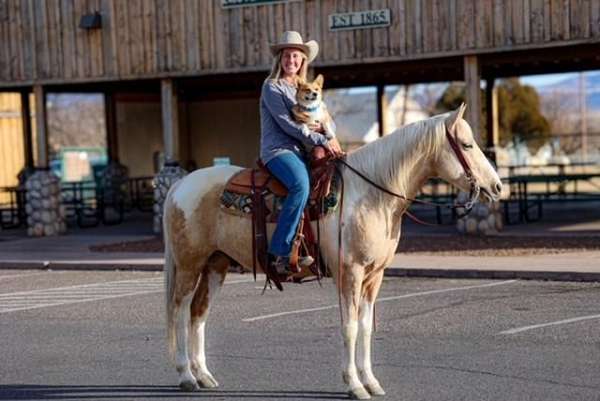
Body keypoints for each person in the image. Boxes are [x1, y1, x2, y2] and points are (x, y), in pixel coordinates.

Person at [260, 31, 343, 275]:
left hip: (300, 150)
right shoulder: (272, 87)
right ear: (280, 59)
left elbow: (326, 117)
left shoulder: (304, 87)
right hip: (278, 150)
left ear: (302, 60)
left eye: (296, 56)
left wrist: (330, 135)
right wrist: (322, 139)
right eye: (287, 56)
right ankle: (281, 252)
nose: (291, 61)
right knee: (301, 185)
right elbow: (288, 125)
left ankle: (318, 246)